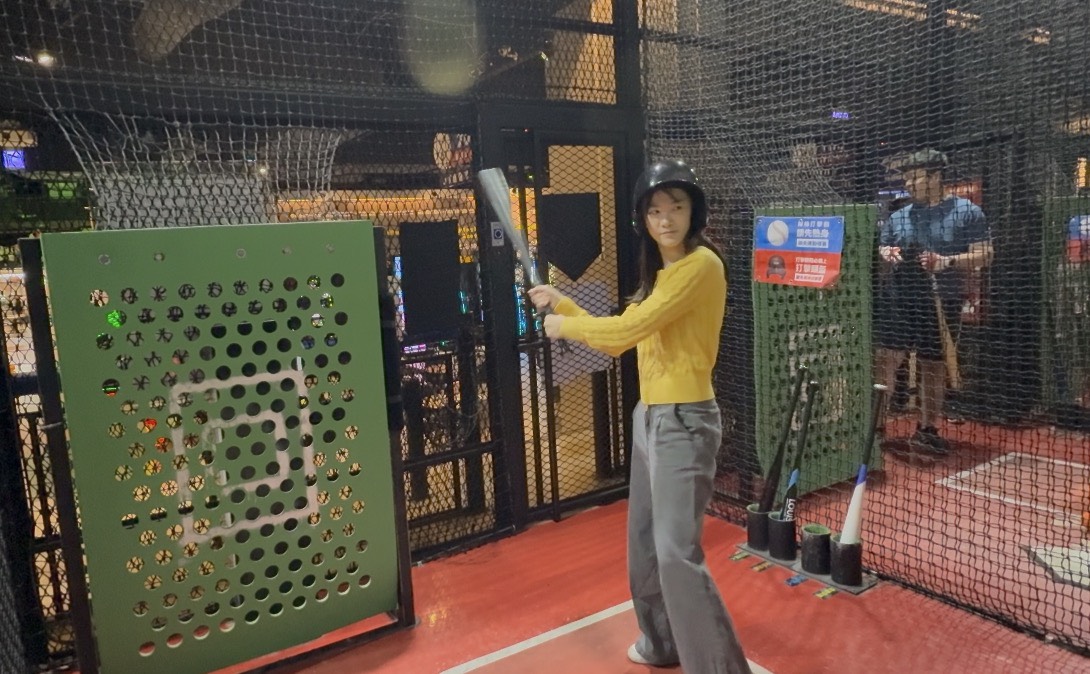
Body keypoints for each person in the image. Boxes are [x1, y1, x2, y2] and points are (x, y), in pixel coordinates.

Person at [528, 160, 751, 674]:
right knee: (645, 544)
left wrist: (564, 327)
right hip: (649, 417)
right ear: (643, 219)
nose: (666, 219)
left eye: (676, 207)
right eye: (655, 211)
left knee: (675, 552)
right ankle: (661, 642)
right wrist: (565, 304)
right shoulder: (661, 277)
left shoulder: (700, 266)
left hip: (684, 420)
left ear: (694, 212)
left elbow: (625, 333)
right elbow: (624, 334)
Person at [875, 149, 992, 454]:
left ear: (936, 176)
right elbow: (884, 248)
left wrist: (946, 261)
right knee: (886, 359)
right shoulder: (899, 215)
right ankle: (875, 429)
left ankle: (927, 429)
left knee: (932, 365)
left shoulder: (966, 212)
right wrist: (888, 253)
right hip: (900, 298)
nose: (908, 184)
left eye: (914, 178)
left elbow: (985, 254)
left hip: (941, 299)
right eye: (906, 179)